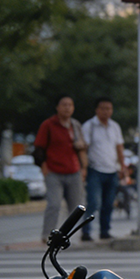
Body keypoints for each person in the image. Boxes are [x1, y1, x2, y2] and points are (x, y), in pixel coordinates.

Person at [34, 95, 88, 242]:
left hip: (74, 171)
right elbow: (39, 149)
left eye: (70, 105)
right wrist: (44, 168)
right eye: (64, 104)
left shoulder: (75, 125)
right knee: (54, 205)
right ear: (57, 107)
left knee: (76, 208)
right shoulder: (48, 125)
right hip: (54, 172)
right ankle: (47, 235)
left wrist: (84, 168)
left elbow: (82, 148)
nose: (67, 108)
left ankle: (71, 236)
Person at [80, 97, 126, 241]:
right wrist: (84, 168)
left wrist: (123, 167)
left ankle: (105, 231)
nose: (106, 111)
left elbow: (119, 148)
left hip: (112, 170)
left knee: (109, 204)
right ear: (97, 109)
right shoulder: (89, 126)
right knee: (94, 203)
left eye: (109, 108)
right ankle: (86, 232)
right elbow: (84, 149)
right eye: (103, 108)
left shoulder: (115, 126)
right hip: (95, 170)